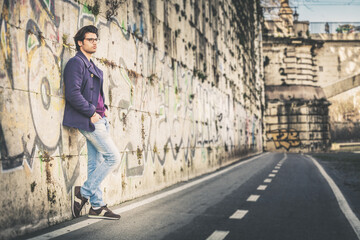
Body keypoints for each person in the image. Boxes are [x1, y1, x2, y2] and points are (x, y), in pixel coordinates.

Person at [63, 25, 121, 220]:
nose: (94, 42)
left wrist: (103, 113)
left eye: (96, 39)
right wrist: (91, 113)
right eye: (90, 39)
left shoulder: (93, 66)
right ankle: (83, 193)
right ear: (80, 42)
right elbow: (72, 94)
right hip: (89, 120)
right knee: (114, 157)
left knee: (94, 164)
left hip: (100, 119)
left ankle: (96, 207)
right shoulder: (75, 63)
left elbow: (96, 95)